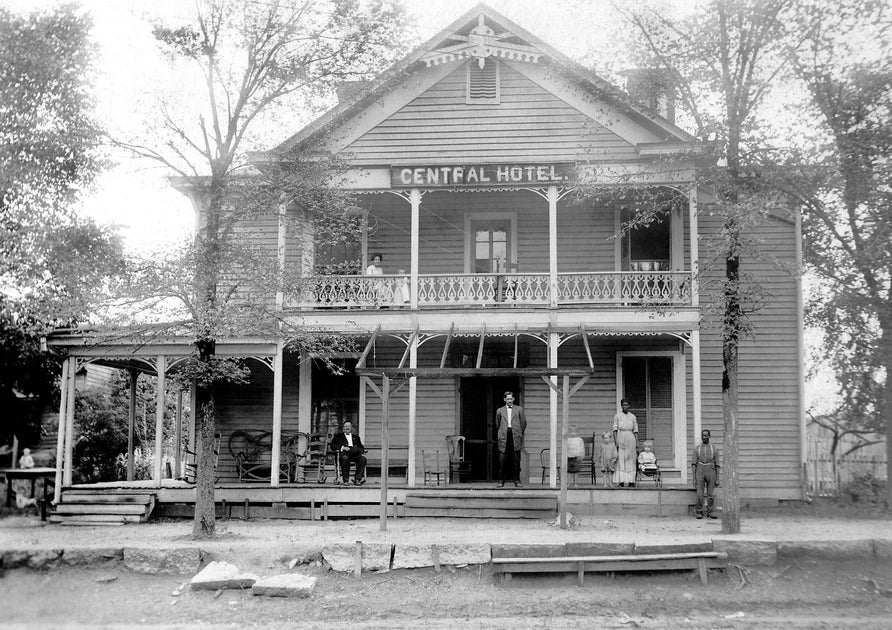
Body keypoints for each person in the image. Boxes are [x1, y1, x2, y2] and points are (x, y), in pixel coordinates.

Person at [495, 391, 526, 488]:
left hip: (515, 436)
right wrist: (502, 432)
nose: (509, 401)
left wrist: (518, 433)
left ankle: (516, 480)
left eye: (511, 399)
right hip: (504, 436)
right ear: (504, 399)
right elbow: (497, 424)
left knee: (516, 459)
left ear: (513, 399)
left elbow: (523, 423)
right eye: (507, 399)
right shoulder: (499, 410)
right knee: (502, 460)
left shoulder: (519, 409)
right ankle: (501, 480)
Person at [691, 429, 720, 519]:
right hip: (700, 470)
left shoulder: (714, 449)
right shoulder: (697, 449)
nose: (704, 437)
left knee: (710, 494)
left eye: (706, 435)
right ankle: (699, 511)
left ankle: (710, 511)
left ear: (709, 436)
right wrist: (694, 478)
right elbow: (693, 464)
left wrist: (718, 478)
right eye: (703, 436)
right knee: (700, 493)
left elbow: (718, 464)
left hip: (711, 470)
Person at [330, 421, 367, 485]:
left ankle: (357, 479)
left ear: (351, 428)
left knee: (363, 459)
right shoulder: (338, 436)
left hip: (355, 454)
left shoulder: (356, 437)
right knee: (345, 458)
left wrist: (358, 450)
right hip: (344, 454)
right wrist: (342, 447)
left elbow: (361, 447)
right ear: (343, 428)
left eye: (349, 426)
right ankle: (346, 480)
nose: (347, 428)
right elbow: (333, 446)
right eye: (346, 426)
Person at [612, 398, 638, 487]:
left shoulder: (633, 416)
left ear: (629, 406)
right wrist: (616, 442)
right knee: (621, 459)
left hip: (630, 437)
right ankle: (621, 481)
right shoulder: (617, 416)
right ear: (621, 406)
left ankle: (631, 481)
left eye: (626, 405)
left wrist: (636, 443)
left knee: (630, 459)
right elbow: (615, 430)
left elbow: (635, 430)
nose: (625, 406)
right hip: (621, 436)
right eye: (623, 405)